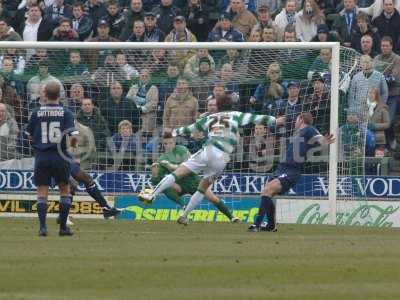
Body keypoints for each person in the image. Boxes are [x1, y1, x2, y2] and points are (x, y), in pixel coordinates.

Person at [140, 94, 285, 225]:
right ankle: (184, 215)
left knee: (177, 173)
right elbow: (257, 118)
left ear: (218, 107)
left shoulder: (209, 118)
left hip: (209, 150)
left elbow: (190, 129)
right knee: (202, 188)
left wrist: (173, 132)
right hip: (222, 158)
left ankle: (153, 194)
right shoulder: (237, 115)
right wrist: (276, 120)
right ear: (232, 105)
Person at [248, 112, 335, 232]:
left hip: (291, 170)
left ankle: (256, 225)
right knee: (266, 194)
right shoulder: (297, 133)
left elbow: (318, 138)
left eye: (296, 119)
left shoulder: (309, 129)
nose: (294, 122)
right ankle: (271, 226)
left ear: (301, 119)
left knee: (267, 190)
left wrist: (323, 140)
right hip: (281, 168)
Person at [26, 81, 78, 236]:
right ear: (59, 95)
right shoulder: (66, 112)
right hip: (60, 155)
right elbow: (74, 135)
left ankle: (43, 228)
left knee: (42, 191)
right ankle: (63, 228)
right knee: (64, 190)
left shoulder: (36, 112)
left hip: (42, 156)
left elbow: (28, 136)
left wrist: (38, 145)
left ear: (45, 94)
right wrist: (72, 148)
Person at [151, 132, 239, 222]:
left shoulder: (182, 149)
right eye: (165, 144)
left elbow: (188, 164)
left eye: (170, 143)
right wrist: (154, 172)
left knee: (212, 198)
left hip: (194, 181)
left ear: (174, 142)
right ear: (163, 144)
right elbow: (155, 181)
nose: (168, 146)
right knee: (165, 186)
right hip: (180, 186)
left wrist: (171, 166)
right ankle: (184, 205)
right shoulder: (162, 159)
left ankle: (231, 217)